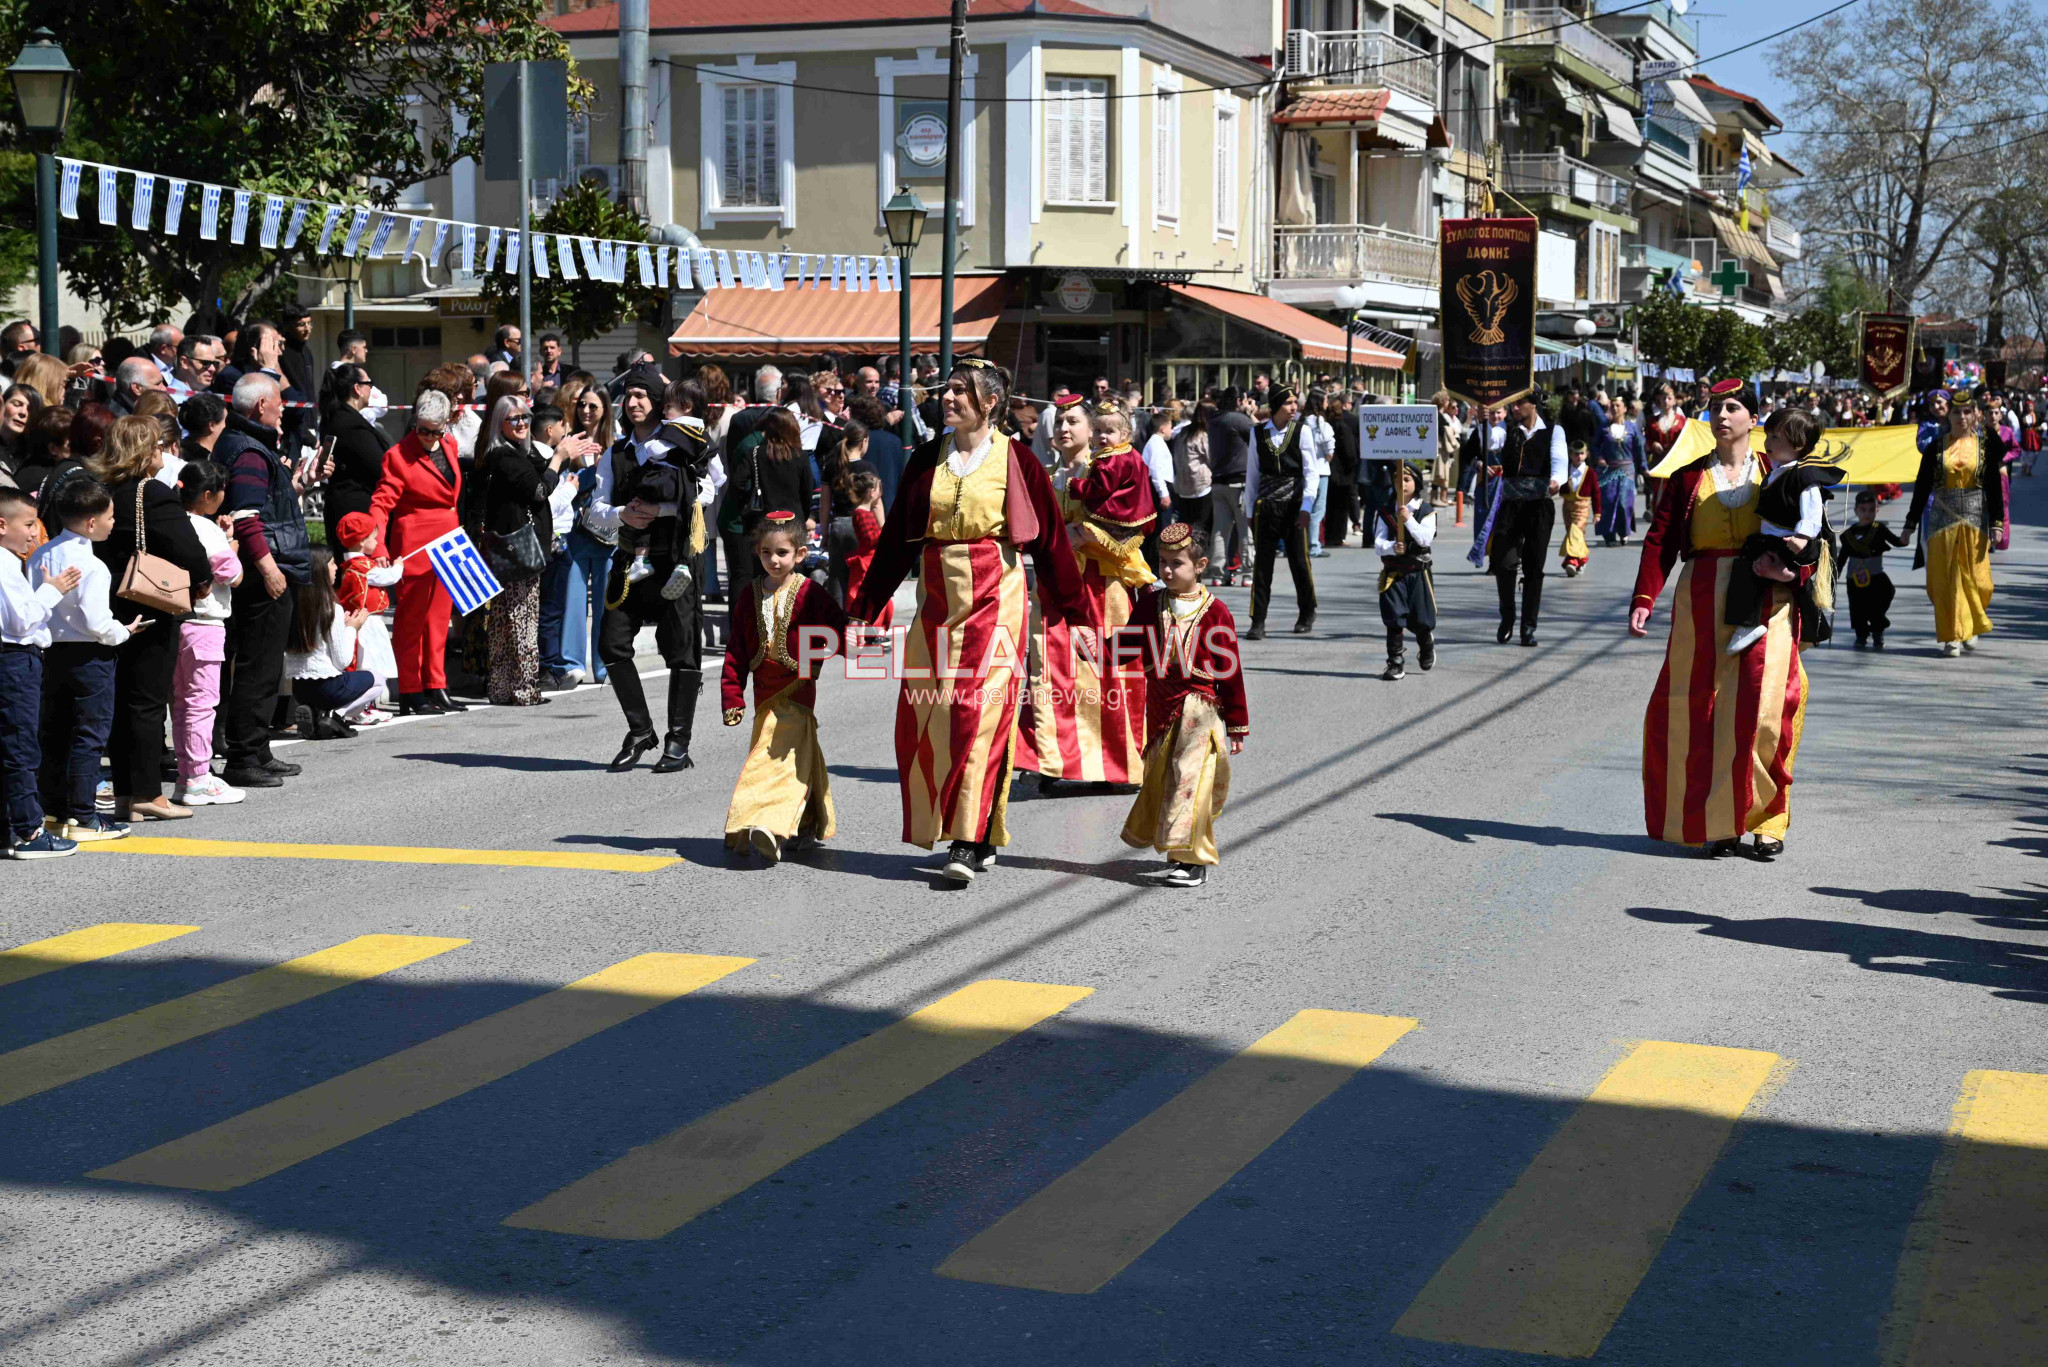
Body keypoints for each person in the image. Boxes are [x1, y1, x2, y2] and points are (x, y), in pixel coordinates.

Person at [846, 358, 1087, 883]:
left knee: (977, 713)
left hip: (996, 595)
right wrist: (865, 608)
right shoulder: (926, 458)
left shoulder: (1018, 459)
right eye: (948, 388)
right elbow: (896, 541)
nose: (948, 397)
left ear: (990, 402)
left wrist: (1077, 614)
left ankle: (966, 840)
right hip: (937, 598)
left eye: (961, 390)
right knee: (933, 715)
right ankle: (979, 829)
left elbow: (1050, 542)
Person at [1629, 377, 1808, 860]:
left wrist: (1793, 571)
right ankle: (1721, 822)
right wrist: (1645, 596)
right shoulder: (1688, 477)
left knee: (1768, 709)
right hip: (1700, 602)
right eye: (1715, 408)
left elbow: (1813, 534)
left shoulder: (1780, 471)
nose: (1722, 416)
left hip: (1768, 599)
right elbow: (1661, 539)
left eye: (1732, 408)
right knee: (1703, 713)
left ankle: (1767, 819)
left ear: (1754, 417)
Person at [1018, 397, 1155, 789]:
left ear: (1091, 430)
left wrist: (1080, 535)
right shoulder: (1045, 474)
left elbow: (1130, 525)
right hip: (1054, 586)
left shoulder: (1113, 469)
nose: (1064, 428)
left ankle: (1112, 762)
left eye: (1073, 421)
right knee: (1051, 670)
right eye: (1059, 421)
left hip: (1101, 583)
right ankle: (1055, 759)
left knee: (1106, 671)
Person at [589, 366, 711, 774]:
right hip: (630, 559)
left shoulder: (683, 441)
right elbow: (595, 510)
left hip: (676, 559)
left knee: (682, 647)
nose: (633, 402)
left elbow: (711, 488)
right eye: (628, 395)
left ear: (659, 401)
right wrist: (622, 514)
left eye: (642, 394)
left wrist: (664, 508)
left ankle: (679, 741)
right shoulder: (616, 453)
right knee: (611, 644)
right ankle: (641, 731)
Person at [91, 416, 213, 821]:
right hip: (150, 602)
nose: (163, 451)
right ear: (143, 450)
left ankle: (126, 794)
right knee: (146, 699)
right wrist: (201, 579)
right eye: (157, 444)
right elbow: (188, 548)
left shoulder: (102, 490)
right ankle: (148, 794)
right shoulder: (152, 491)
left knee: (122, 699)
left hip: (108, 602)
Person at [1114, 522, 1248, 888]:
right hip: (1160, 708)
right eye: (1163, 562)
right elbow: (1128, 645)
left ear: (1201, 565)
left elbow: (1231, 673)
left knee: (1192, 780)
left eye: (1177, 563)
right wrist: (1092, 648)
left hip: (1200, 709)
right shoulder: (1150, 604)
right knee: (1166, 780)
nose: (1168, 570)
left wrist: (1237, 724)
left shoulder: (1216, 612)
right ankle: (1178, 851)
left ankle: (1192, 860)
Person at [719, 512, 851, 862]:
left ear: (800, 554)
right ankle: (806, 823)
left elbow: (837, 628)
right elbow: (736, 651)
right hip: (763, 696)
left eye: (782, 553)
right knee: (794, 759)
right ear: (757, 552)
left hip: (798, 691)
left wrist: (858, 641)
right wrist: (732, 696)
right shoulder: (748, 595)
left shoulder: (811, 593)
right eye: (766, 552)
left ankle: (770, 827)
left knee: (774, 762)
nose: (774, 560)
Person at [29, 476, 141, 842]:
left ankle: (54, 812)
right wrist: (123, 632)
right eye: (110, 516)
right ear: (92, 523)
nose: (113, 521)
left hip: (50, 653)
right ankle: (83, 816)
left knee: (54, 734)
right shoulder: (93, 566)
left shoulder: (40, 554)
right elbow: (97, 623)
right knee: (88, 735)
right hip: (90, 656)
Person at [369, 388, 466, 715]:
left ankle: (436, 685)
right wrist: (378, 545)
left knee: (439, 620)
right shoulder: (398, 455)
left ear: (446, 424)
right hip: (414, 547)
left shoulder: (449, 445)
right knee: (411, 622)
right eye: (421, 429)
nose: (427, 437)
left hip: (448, 543)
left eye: (434, 431)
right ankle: (411, 690)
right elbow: (381, 504)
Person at [0, 484, 84, 857]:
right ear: (2, 525)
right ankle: (30, 832)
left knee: (10, 745)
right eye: (29, 524)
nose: (34, 532)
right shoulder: (4, 562)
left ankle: (10, 830)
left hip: (13, 659)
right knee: (20, 748)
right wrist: (52, 590)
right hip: (15, 660)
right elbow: (21, 621)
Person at [1724, 407, 1841, 656]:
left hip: (1785, 541)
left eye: (1775, 437)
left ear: (1798, 444)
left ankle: (1748, 622)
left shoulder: (1802, 476)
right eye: (1768, 435)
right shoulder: (1778, 470)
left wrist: (1801, 537)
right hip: (1771, 538)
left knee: (1746, 570)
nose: (1768, 442)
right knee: (1752, 570)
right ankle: (1778, 587)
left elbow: (1812, 512)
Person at [477, 394, 569, 707]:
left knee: (503, 619)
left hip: (506, 546)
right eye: (513, 418)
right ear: (499, 423)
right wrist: (559, 458)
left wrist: (559, 455)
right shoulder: (506, 455)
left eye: (525, 417)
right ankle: (525, 689)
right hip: (518, 548)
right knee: (522, 618)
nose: (521, 423)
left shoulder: (513, 452)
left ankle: (502, 688)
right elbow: (539, 490)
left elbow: (538, 473)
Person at [1905, 387, 2006, 657]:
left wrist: (1997, 522)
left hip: (1974, 520)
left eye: (1967, 412)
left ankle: (1970, 624)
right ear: (1948, 416)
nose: (1962, 417)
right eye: (1957, 412)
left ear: (1974, 415)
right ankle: (1952, 636)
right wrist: (1910, 524)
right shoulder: (1936, 447)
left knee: (1980, 581)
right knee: (1945, 580)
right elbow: (1922, 487)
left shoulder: (1984, 446)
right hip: (1942, 521)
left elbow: (1994, 485)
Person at [168, 462, 246, 806]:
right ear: (209, 495)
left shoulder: (170, 521)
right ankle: (198, 777)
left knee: (181, 703)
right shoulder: (206, 528)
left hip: (175, 620)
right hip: (206, 621)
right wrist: (231, 544)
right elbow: (233, 575)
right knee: (201, 703)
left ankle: (187, 775)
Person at [539, 384, 617, 690]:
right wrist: (586, 473)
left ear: (605, 410)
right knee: (572, 600)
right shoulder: (567, 442)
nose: (586, 411)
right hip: (574, 531)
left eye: (593, 406)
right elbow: (557, 482)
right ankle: (571, 664)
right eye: (582, 404)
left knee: (606, 602)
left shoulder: (617, 442)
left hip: (608, 532)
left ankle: (604, 664)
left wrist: (601, 468)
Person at [1476, 389, 1565, 647]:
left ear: (1533, 404)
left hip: (1539, 506)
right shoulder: (1507, 430)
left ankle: (1528, 626)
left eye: (1520, 403)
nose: (1514, 408)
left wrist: (1557, 480)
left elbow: (1560, 461)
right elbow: (1489, 441)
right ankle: (1507, 617)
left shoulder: (1553, 431)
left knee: (1534, 567)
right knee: (1504, 563)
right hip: (1511, 506)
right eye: (1512, 404)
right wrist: (1483, 421)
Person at [1243, 387, 1318, 639]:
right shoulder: (1257, 432)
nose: (1294, 407)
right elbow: (1252, 473)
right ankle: (1258, 620)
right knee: (1262, 566)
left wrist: (1306, 507)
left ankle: (1307, 612)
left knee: (1300, 562)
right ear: (1276, 405)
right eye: (1288, 402)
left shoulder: (1302, 431)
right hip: (1266, 505)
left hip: (1294, 505)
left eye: (1295, 402)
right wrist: (1250, 509)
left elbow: (1311, 472)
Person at [286, 548, 381, 734]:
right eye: (331, 563)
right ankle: (334, 715)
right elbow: (342, 661)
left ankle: (314, 713)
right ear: (320, 570)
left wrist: (342, 627)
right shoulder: (332, 608)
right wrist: (352, 628)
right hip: (328, 686)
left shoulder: (293, 603)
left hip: (299, 688)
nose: (336, 568)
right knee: (378, 680)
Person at [1374, 463, 1437, 682]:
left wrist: (1408, 519)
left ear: (1416, 483)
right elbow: (1378, 543)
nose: (1402, 484)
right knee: (1393, 617)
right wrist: (1393, 547)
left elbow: (1425, 539)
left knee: (1421, 618)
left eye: (1407, 480)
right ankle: (1395, 662)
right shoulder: (1385, 511)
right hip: (1394, 573)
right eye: (1398, 479)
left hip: (1418, 572)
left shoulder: (1425, 511)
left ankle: (1426, 644)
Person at [332, 511, 399, 709]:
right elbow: (388, 577)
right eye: (374, 538)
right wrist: (399, 566)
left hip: (362, 620)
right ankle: (361, 707)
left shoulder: (352, 564)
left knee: (366, 662)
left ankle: (367, 706)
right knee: (370, 663)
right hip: (368, 622)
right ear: (362, 541)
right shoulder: (363, 566)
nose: (377, 542)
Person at [321, 362, 390, 546]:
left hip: (346, 507)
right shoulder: (349, 424)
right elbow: (378, 466)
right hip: (355, 514)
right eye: (369, 384)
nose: (371, 389)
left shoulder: (336, 416)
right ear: (357, 389)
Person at [1838, 488, 1910, 649]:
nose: (1867, 513)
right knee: (1857, 607)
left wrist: (1903, 540)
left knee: (1887, 593)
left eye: (1871, 509)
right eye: (1863, 510)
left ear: (1877, 509)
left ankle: (1878, 628)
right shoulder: (1848, 535)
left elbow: (1896, 541)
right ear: (1856, 510)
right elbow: (1842, 557)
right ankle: (1861, 635)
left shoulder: (1879, 528)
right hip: (1854, 578)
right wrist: (1835, 574)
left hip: (1876, 575)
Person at [1205, 388, 1252, 584]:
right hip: (1239, 483)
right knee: (1245, 530)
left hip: (1218, 482)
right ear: (1239, 400)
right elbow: (1260, 437)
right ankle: (1248, 574)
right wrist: (1249, 413)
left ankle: (1217, 573)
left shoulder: (1213, 420)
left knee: (1220, 531)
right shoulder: (1238, 419)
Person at [1596, 395, 1642, 546]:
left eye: (1618, 406)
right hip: (1608, 470)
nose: (1615, 408)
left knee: (1625, 502)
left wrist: (1643, 467)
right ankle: (1609, 536)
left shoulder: (1632, 427)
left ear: (1625, 409)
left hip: (1627, 469)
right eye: (1613, 406)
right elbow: (1594, 445)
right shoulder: (1604, 427)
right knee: (1608, 501)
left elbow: (1639, 448)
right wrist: (1599, 457)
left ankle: (1623, 531)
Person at [1558, 441, 1600, 578]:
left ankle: (1571, 561)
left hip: (1583, 507)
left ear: (1586, 455)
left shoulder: (1590, 473)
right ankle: (1582, 559)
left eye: (1582, 454)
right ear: (1570, 455)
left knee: (1575, 531)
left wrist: (1597, 513)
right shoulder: (1565, 470)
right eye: (1576, 454)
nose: (1579, 457)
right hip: (1567, 507)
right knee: (1574, 534)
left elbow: (1596, 493)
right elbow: (1559, 485)